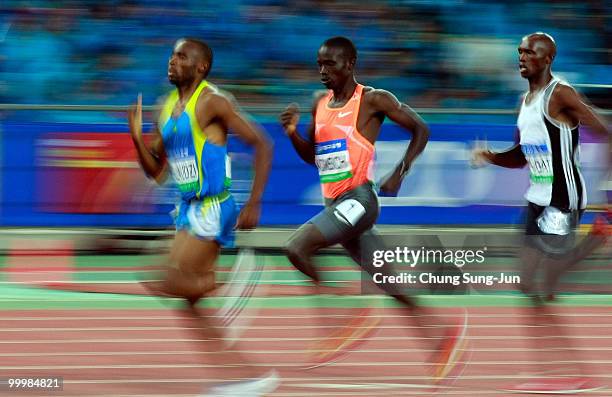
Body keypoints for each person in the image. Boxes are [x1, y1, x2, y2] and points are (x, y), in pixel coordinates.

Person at [280, 36, 467, 381]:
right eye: (319, 64)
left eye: (330, 64)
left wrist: (399, 172)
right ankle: (443, 337)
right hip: (336, 203)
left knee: (296, 247)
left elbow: (420, 129)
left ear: (349, 64)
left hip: (359, 201)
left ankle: (347, 317)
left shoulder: (373, 100)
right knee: (390, 283)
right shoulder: (319, 104)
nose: (322, 70)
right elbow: (316, 159)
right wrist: (292, 134)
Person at [128, 37, 279, 396]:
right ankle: (247, 378)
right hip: (187, 209)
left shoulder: (212, 102)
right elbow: (156, 172)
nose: (172, 61)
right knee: (178, 296)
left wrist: (254, 202)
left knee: (168, 278)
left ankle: (232, 280)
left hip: (213, 207)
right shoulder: (165, 108)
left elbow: (262, 143)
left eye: (182, 56)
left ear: (201, 67)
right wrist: (136, 137)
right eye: (171, 55)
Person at [472, 32, 609, 394]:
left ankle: (596, 241)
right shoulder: (526, 100)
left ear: (547, 59)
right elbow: (520, 156)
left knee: (543, 286)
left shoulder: (559, 93)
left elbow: (606, 131)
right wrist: (491, 157)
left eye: (529, 52)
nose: (521, 56)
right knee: (528, 287)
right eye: (519, 50)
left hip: (562, 200)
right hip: (537, 198)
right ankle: (554, 370)